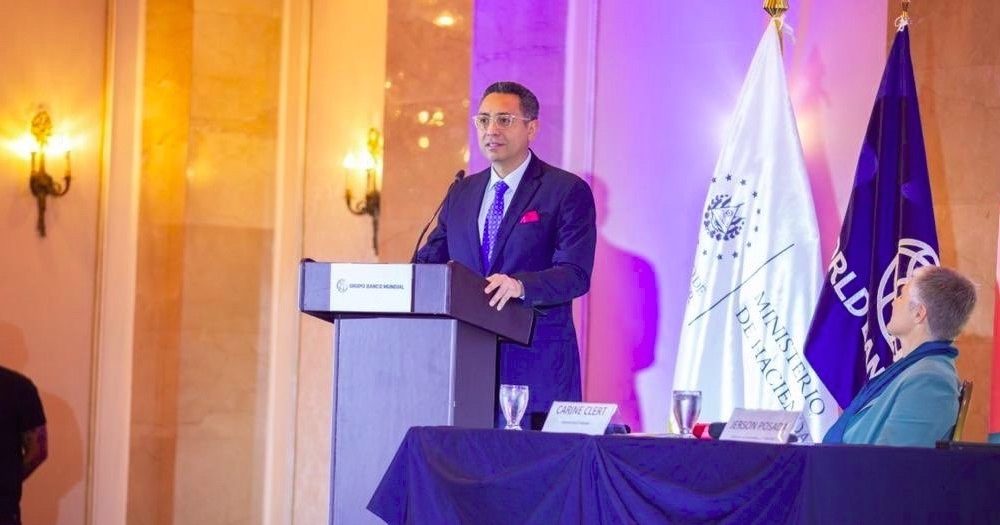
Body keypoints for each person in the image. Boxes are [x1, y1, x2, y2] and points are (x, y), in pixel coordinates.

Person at [415, 81, 597, 427]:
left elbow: (575, 273)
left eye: (504, 120)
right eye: (483, 120)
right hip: (465, 365)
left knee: (532, 461)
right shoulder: (461, 192)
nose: (491, 130)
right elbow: (430, 262)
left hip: (535, 362)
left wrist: (520, 285)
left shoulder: (565, 190)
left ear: (532, 128)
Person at [823, 265, 977, 447]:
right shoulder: (916, 370)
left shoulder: (930, 380)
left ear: (918, 313)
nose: (894, 302)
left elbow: (892, 460)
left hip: (849, 466)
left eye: (902, 295)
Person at [0, 366, 47, 525]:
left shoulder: (19, 388)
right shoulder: (20, 387)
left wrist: (9, 479)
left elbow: (38, 451)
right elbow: (38, 451)